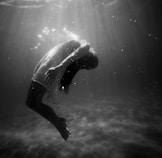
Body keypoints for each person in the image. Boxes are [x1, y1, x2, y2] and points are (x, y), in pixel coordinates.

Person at [26, 40, 98, 141]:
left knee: (32, 102)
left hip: (51, 67)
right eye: (86, 66)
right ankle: (59, 123)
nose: (83, 67)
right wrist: (58, 68)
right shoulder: (84, 47)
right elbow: (73, 55)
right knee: (31, 103)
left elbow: (72, 56)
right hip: (51, 67)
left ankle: (59, 124)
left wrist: (58, 67)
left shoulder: (84, 46)